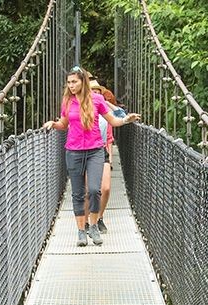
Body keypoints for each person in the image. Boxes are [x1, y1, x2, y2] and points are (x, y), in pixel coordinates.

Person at [41, 66, 139, 246]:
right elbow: (64, 123)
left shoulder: (97, 99)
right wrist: (53, 124)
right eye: (69, 82)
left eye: (74, 82)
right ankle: (80, 232)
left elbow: (112, 120)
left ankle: (93, 226)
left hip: (95, 150)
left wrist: (126, 120)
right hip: (74, 151)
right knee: (78, 193)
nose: (71, 85)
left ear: (83, 82)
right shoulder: (67, 102)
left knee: (94, 190)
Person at [86, 78, 125, 234]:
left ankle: (99, 218)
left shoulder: (105, 110)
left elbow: (121, 115)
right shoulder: (83, 109)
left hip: (102, 151)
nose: (96, 93)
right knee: (90, 190)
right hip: (86, 151)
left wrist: (105, 102)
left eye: (98, 92)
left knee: (106, 188)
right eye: (92, 91)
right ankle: (88, 222)